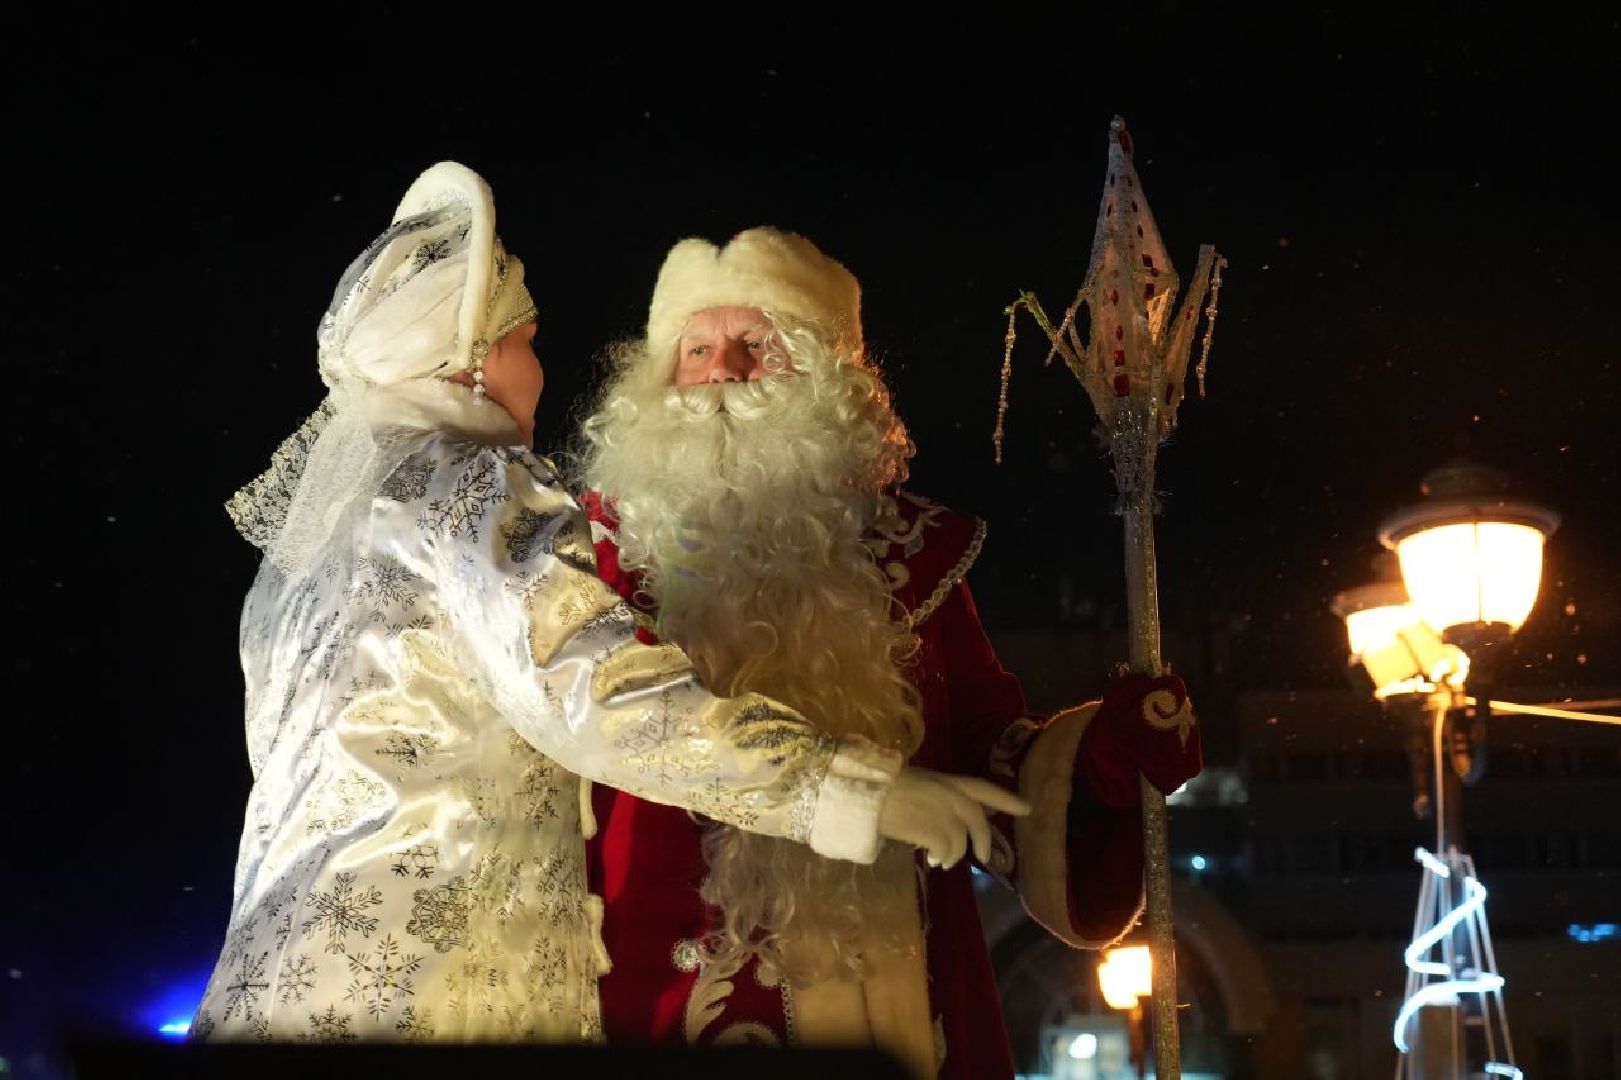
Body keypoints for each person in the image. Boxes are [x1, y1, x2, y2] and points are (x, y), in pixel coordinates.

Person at [192, 168, 1023, 1045]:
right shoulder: (480, 488)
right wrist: (853, 791)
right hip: (444, 977)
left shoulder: (313, 539)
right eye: (530, 341)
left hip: (290, 965)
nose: (721, 378)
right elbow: (596, 696)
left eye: (758, 346)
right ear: (476, 361)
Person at [574, 227, 1204, 1078]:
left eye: (757, 344)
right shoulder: (583, 557)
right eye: (695, 347)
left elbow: (989, 750)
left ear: (828, 379)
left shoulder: (915, 557)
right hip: (647, 983)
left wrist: (1097, 761)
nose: (721, 370)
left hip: (895, 984)